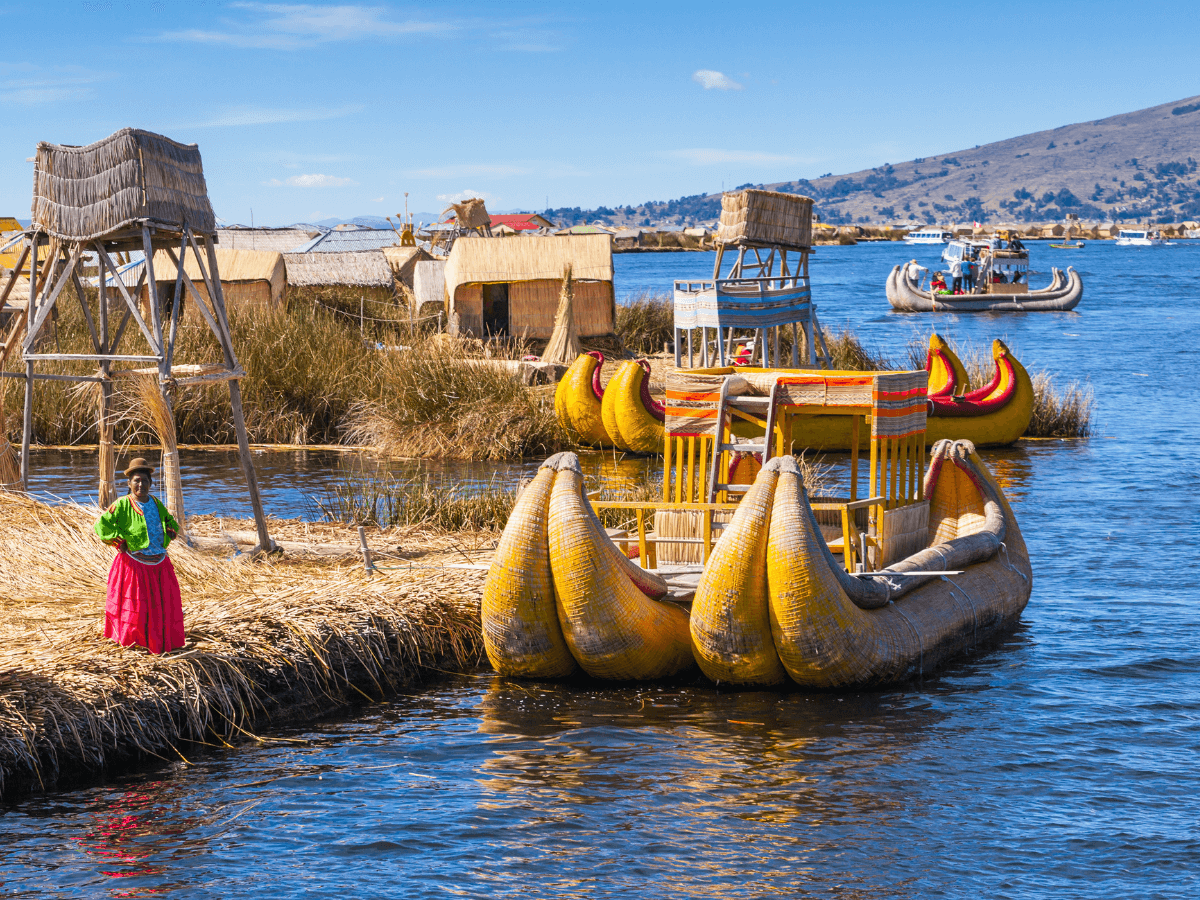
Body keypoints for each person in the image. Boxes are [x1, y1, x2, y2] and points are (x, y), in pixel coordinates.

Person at [93, 458, 185, 654]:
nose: (140, 484)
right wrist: (118, 541)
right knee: (136, 606)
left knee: (160, 606)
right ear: (129, 483)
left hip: (159, 562)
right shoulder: (122, 504)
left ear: (151, 483)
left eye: (144, 480)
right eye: (136, 480)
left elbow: (170, 520)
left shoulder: (156, 503)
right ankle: (134, 641)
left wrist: (170, 530)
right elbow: (102, 525)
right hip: (134, 563)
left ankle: (158, 640)